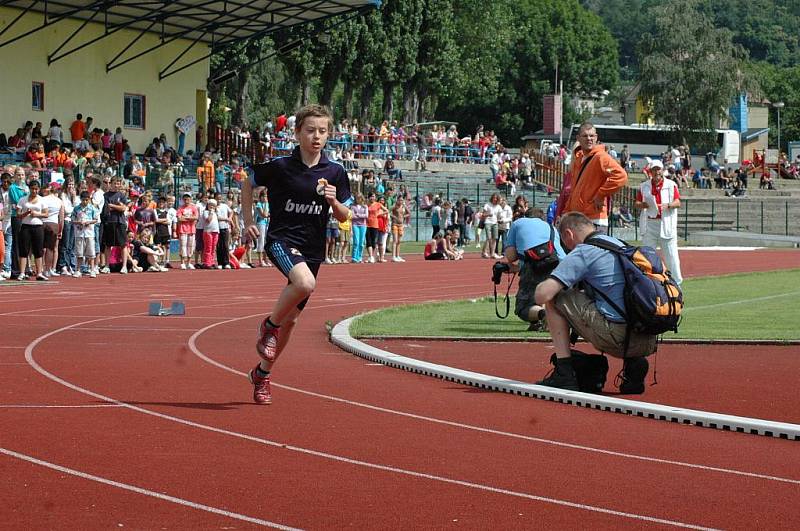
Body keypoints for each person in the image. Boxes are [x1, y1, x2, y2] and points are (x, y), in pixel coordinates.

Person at [241, 104, 352, 405]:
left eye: (322, 131)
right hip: (281, 239)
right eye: (310, 130)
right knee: (304, 283)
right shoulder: (280, 166)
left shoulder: (335, 171)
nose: (317, 137)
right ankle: (268, 325)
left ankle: (262, 374)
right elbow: (246, 181)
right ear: (297, 133)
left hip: (313, 249)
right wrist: (249, 221)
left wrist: (334, 202)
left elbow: (345, 215)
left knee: (292, 322)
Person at [534, 212, 657, 393]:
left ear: (568, 234)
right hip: (647, 337)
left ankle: (564, 372)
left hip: (617, 337)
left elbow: (542, 295)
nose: (566, 247)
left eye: (564, 241)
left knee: (555, 298)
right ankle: (634, 364)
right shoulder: (619, 245)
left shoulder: (584, 251)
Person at [503, 207, 566, 331]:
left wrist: (514, 264)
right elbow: (547, 256)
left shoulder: (518, 223)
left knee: (522, 308)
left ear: (526, 216)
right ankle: (540, 321)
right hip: (560, 265)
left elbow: (511, 256)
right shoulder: (550, 227)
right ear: (542, 218)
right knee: (545, 297)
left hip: (534, 267)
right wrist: (517, 268)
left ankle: (544, 315)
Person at [559, 122, 628, 233]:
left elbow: (621, 176)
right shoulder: (579, 159)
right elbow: (574, 191)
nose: (589, 139)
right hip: (580, 218)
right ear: (578, 138)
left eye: (592, 136)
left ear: (596, 137)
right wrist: (566, 212)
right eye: (585, 136)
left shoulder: (600, 157)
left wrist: (600, 195)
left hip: (594, 219)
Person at [634, 159, 683, 285]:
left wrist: (668, 205)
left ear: (662, 170)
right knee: (646, 256)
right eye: (654, 169)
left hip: (666, 223)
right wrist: (644, 204)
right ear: (650, 171)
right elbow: (637, 203)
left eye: (658, 169)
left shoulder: (671, 185)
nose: (657, 172)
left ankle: (676, 284)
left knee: (671, 257)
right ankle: (646, 283)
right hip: (649, 224)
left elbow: (678, 202)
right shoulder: (644, 186)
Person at [16, 180, 48, 281]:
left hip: (38, 226)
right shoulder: (23, 199)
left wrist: (37, 214)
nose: (34, 191)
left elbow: (46, 214)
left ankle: (39, 273)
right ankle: (22, 272)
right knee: (24, 250)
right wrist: (26, 213)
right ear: (29, 188)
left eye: (36, 189)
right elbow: (18, 215)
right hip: (26, 226)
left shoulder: (42, 200)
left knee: (38, 250)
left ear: (38, 189)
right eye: (32, 188)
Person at [100, 177, 131, 274]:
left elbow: (123, 208)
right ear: (111, 184)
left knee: (123, 245)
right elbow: (105, 208)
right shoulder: (105, 195)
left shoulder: (121, 195)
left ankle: (124, 266)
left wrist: (113, 206)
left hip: (120, 222)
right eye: (115, 183)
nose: (117, 185)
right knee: (108, 245)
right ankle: (106, 266)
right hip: (109, 222)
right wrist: (117, 207)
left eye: (118, 183)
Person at [71, 191, 99, 277]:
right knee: (79, 253)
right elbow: (72, 220)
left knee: (91, 253)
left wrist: (89, 222)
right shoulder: (76, 209)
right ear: (81, 199)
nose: (85, 202)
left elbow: (95, 219)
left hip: (89, 233)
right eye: (83, 200)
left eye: (87, 200)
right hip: (79, 233)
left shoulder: (92, 208)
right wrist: (78, 222)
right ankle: (78, 270)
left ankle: (92, 269)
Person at [176, 193, 198, 269]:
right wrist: (190, 218)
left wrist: (186, 217)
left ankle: (189, 262)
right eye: (185, 199)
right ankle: (182, 262)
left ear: (190, 199)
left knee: (191, 246)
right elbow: (179, 219)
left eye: (188, 199)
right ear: (183, 200)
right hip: (183, 230)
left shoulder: (194, 208)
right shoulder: (180, 208)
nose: (186, 201)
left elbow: (196, 217)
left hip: (191, 230)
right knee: (183, 246)